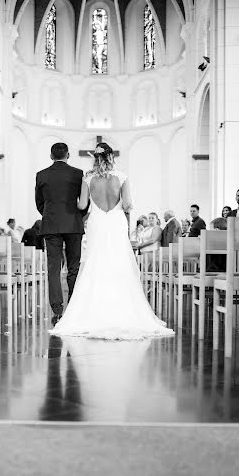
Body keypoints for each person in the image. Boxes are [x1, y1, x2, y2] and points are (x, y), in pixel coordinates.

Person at [50, 142, 175, 339]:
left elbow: (82, 204)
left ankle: (93, 312)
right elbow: (127, 205)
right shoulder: (122, 177)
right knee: (118, 264)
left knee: (95, 263)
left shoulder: (88, 178)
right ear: (111, 157)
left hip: (97, 223)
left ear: (96, 158)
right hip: (116, 223)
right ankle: (122, 310)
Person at [35, 142, 85, 325]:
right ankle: (73, 306)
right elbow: (84, 202)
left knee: (54, 269)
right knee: (74, 266)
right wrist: (78, 216)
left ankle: (57, 310)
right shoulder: (78, 174)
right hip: (73, 224)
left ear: (51, 156)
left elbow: (39, 203)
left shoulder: (41, 175)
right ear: (68, 155)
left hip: (51, 224)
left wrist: (50, 216)